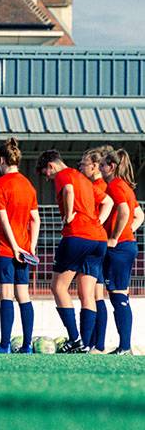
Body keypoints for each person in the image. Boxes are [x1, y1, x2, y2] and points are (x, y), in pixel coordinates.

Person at [36, 150, 112, 353]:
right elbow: (108, 202)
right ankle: (85, 345)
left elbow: (68, 190)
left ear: (51, 166)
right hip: (98, 239)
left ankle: (75, 338)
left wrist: (69, 215)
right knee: (87, 293)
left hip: (77, 236)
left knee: (58, 287)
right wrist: (97, 222)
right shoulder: (85, 180)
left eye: (47, 174)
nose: (49, 178)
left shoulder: (63, 175)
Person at [0, 138, 40, 354]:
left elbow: (3, 218)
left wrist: (15, 246)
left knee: (6, 295)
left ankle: (4, 344)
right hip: (24, 249)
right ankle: (27, 345)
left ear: (1, 160)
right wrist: (30, 248)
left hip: (5, 248)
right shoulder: (28, 185)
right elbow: (35, 219)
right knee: (24, 295)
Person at [99, 149, 144, 355]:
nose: (100, 168)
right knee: (119, 294)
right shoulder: (124, 186)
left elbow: (126, 211)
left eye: (102, 165)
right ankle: (123, 346)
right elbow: (139, 216)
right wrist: (127, 232)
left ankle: (125, 346)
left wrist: (116, 237)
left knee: (118, 295)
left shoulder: (116, 185)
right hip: (126, 245)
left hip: (120, 248)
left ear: (112, 167)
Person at [79, 146, 113, 352]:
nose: (81, 167)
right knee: (96, 294)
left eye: (83, 163)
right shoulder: (98, 184)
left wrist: (96, 225)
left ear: (94, 166)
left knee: (94, 295)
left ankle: (95, 344)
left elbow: (111, 207)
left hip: (97, 244)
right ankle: (94, 343)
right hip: (100, 244)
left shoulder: (99, 187)